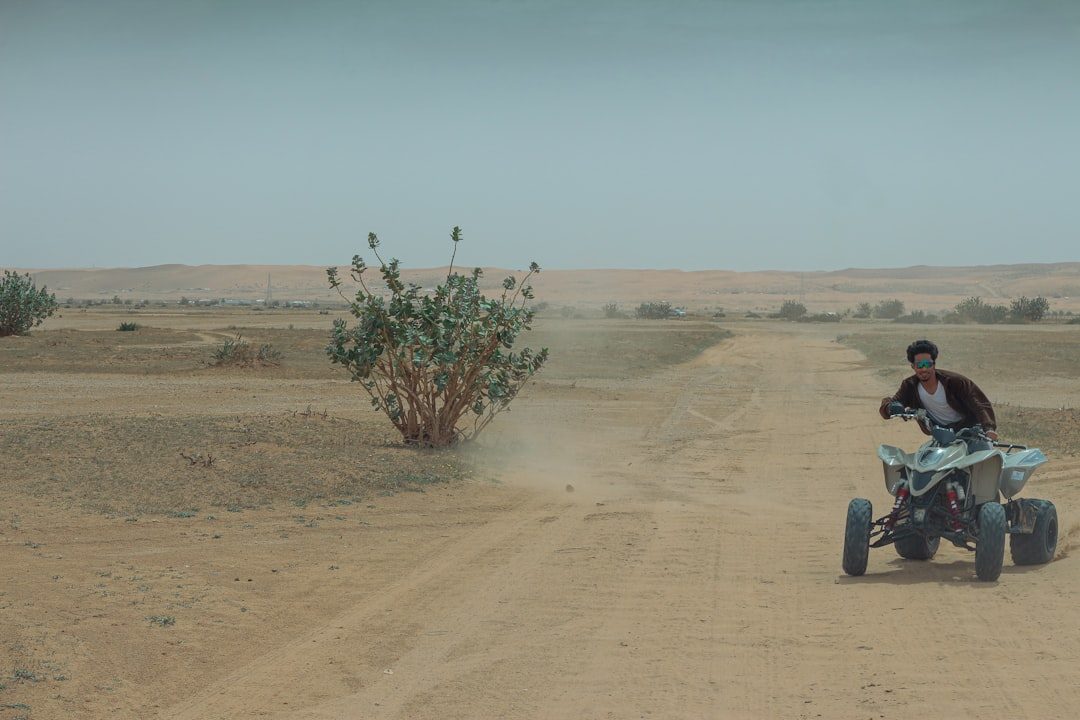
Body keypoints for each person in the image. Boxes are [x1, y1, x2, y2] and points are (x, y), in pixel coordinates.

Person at [879, 339, 998, 442]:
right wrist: (891, 407)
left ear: (934, 364)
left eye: (927, 364)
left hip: (970, 430)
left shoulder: (955, 382)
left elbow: (979, 404)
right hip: (942, 435)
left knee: (983, 458)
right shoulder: (909, 386)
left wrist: (989, 429)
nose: (924, 369)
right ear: (913, 366)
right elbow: (891, 404)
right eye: (919, 365)